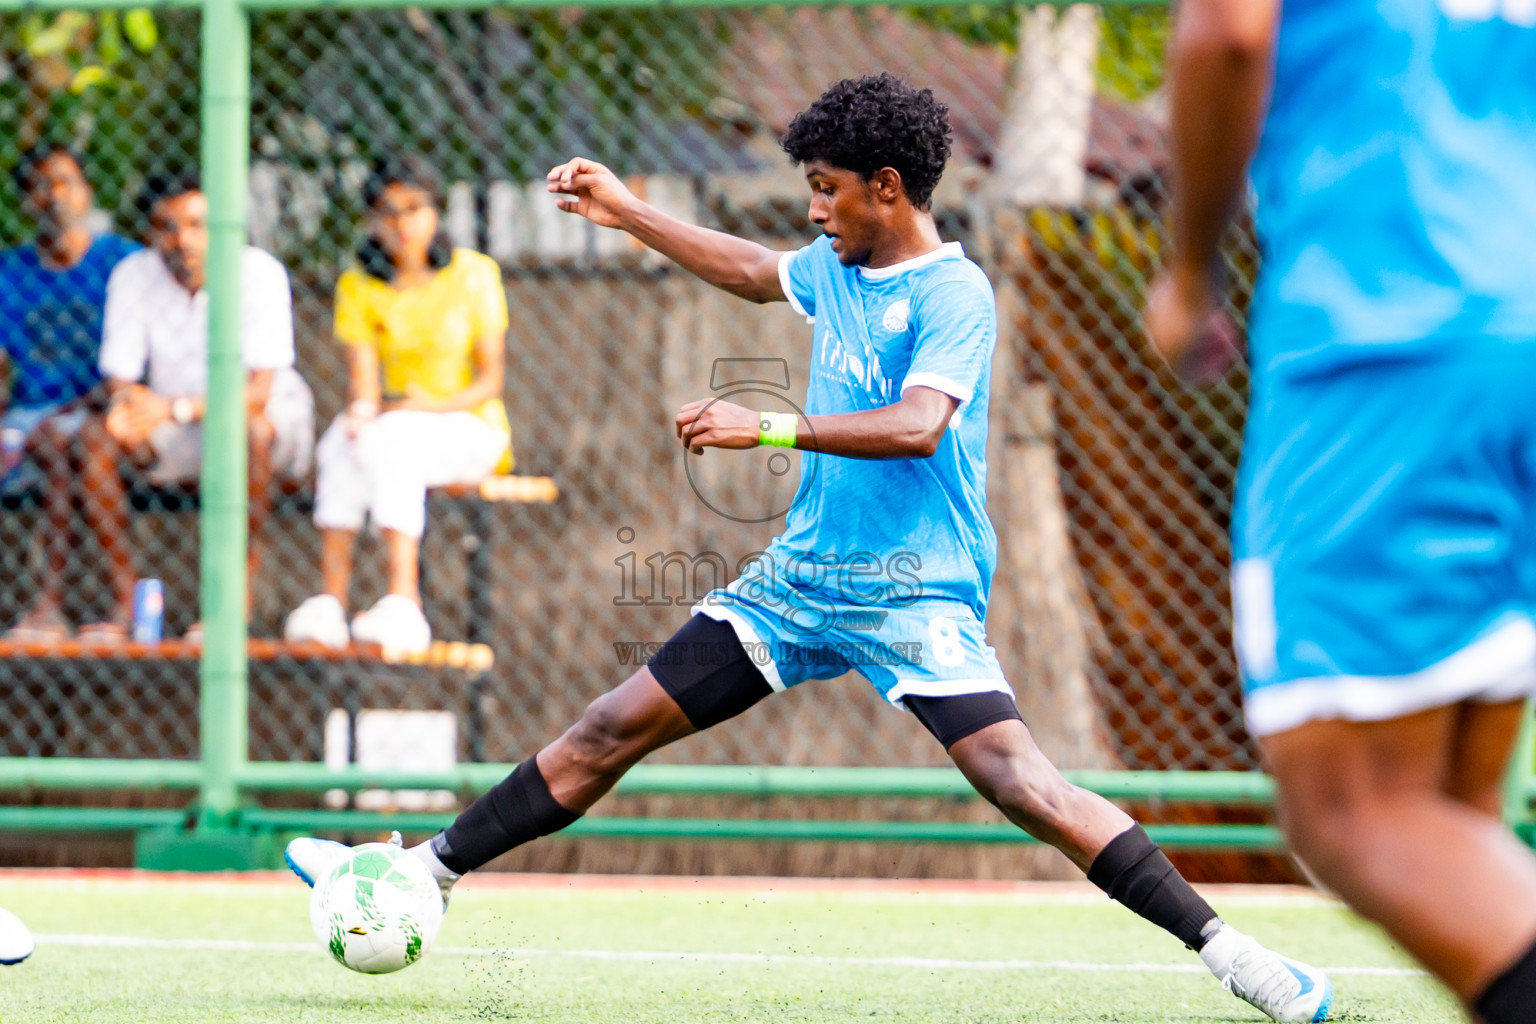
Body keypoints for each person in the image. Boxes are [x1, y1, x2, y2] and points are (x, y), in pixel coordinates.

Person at [288, 76, 1330, 1022]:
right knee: (611, 726)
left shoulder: (953, 295)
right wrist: (629, 211)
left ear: (888, 187)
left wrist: (769, 426)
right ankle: (425, 870)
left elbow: (920, 423)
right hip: (800, 584)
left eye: (827, 189)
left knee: (1025, 785)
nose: (813, 208)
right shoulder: (837, 267)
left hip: (912, 593)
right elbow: (750, 271)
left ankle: (1234, 954)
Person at [1144, 2, 1536, 1022]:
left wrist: (1190, 274)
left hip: (1394, 325)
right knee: (1452, 810)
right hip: (1514, 309)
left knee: (1357, 808)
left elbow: (1229, 31)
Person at [283, 158, 511, 656]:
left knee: (394, 441)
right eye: (388, 213)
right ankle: (330, 603)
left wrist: (431, 406)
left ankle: (404, 603)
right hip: (395, 423)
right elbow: (364, 385)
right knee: (343, 435)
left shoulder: (475, 274)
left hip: (470, 427)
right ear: (371, 220)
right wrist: (362, 415)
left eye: (413, 210)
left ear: (435, 213)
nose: (402, 224)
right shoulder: (358, 285)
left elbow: (490, 382)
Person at [76, 171, 314, 641]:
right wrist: (128, 411)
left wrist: (172, 409)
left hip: (261, 423)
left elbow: (257, 394)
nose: (182, 240)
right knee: (94, 439)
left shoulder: (259, 273)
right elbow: (120, 379)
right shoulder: (132, 274)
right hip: (177, 423)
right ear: (149, 233)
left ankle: (231, 605)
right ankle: (126, 601)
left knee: (252, 433)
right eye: (166, 226)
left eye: (196, 224)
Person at [1, 144, 138, 641]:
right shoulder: (8, 272)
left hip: (104, 410)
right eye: (40, 185)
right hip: (25, 417)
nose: (54, 196)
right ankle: (55, 607)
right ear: (24, 202)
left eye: (65, 182)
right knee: (49, 438)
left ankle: (55, 604)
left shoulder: (123, 262)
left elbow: (140, 362)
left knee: (62, 440)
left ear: (87, 192)